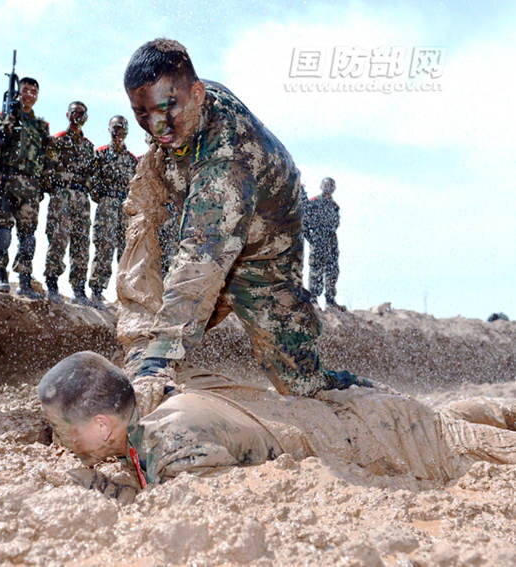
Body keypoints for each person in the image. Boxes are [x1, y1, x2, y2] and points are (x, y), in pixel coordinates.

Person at [117, 39, 367, 408]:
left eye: (166, 110)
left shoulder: (227, 163)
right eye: (142, 114)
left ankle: (374, 399)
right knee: (155, 299)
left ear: (198, 94)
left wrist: (158, 360)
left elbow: (200, 265)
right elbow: (149, 218)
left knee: (303, 386)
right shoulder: (188, 103)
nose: (156, 126)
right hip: (211, 225)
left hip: (263, 257)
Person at [39, 351, 516, 503]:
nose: (61, 440)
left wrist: (109, 491)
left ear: (104, 427)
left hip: (393, 439)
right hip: (359, 410)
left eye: (64, 429)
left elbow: (196, 505)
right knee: (454, 418)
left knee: (462, 437)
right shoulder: (160, 406)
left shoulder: (169, 444)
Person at [0, 77, 49, 299]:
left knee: (28, 236)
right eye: (26, 90)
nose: (30, 95)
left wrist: (43, 184)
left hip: (30, 185)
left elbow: (46, 158)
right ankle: (1, 276)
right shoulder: (4, 117)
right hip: (7, 178)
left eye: (34, 91)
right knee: (3, 230)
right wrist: (10, 116)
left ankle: (24, 281)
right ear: (18, 92)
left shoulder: (41, 126)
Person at [42, 101, 96, 305]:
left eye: (82, 113)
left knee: (81, 243)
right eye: (74, 113)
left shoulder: (89, 147)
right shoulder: (56, 141)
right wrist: (57, 188)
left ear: (86, 118)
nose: (78, 117)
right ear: (67, 115)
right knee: (58, 238)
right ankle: (52, 283)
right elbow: (47, 170)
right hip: (62, 196)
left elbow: (92, 176)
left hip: (82, 199)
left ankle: (79, 289)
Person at [88, 115, 138, 310]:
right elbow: (92, 181)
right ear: (110, 129)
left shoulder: (131, 160)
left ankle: (124, 296)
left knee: (126, 253)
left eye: (123, 128)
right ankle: (97, 291)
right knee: (104, 247)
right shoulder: (101, 153)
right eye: (116, 128)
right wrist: (103, 198)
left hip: (125, 208)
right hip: (107, 204)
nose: (119, 132)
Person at [303, 176, 342, 308]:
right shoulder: (314, 203)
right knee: (316, 269)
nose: (328, 188)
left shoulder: (334, 206)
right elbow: (304, 222)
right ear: (321, 187)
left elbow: (336, 224)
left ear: (334, 189)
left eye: (331, 186)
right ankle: (313, 298)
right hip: (318, 240)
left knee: (333, 269)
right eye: (325, 185)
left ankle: (330, 299)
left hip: (331, 241)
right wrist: (312, 239)